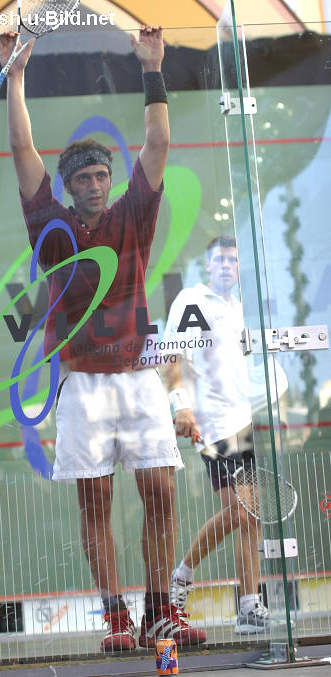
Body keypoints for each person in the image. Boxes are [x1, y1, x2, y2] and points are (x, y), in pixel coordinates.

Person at [0, 26, 205, 651]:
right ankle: (116, 618)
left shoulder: (132, 215)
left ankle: (160, 612)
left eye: (100, 175)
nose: (94, 183)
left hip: (140, 379)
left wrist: (152, 67)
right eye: (83, 178)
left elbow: (159, 141)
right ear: (68, 186)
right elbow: (21, 147)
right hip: (83, 385)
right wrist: (14, 76)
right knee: (94, 504)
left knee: (161, 493)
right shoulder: (51, 225)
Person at [162, 234, 288, 635]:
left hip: (241, 423)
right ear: (207, 265)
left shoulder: (238, 307)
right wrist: (181, 406)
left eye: (233, 260)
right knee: (240, 511)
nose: (227, 266)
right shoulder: (192, 300)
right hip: (211, 425)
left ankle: (249, 606)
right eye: (220, 260)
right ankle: (182, 575)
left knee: (250, 514)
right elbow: (170, 357)